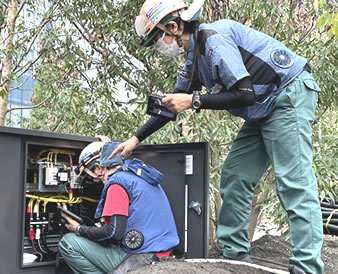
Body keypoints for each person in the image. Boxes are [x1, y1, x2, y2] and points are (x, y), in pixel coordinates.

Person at [109, 1, 324, 273]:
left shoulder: (213, 39)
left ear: (173, 27)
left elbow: (245, 93)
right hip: (261, 107)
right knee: (235, 174)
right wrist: (135, 139)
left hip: (287, 94)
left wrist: (194, 100)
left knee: (293, 180)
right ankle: (234, 255)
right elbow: (170, 108)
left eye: (157, 38)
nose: (159, 47)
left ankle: (308, 265)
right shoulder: (194, 58)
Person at [58, 141, 179, 274]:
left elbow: (113, 233)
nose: (93, 180)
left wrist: (79, 229)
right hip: (161, 253)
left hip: (142, 257)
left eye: (89, 175)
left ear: (98, 167)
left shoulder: (117, 185)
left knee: (68, 243)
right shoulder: (137, 175)